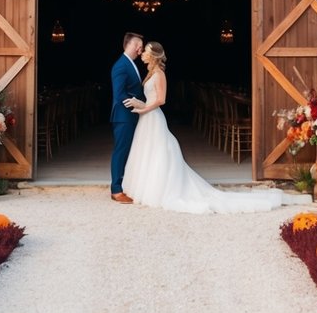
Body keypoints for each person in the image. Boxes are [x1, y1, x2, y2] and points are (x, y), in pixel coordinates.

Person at [122, 41, 286, 213]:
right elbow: (151, 99)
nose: (142, 54)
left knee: (157, 152)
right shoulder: (150, 73)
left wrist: (145, 109)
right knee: (148, 151)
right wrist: (140, 104)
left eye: (145, 51)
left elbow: (161, 100)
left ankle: (158, 190)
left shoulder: (159, 74)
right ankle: (147, 187)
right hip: (147, 116)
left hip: (153, 117)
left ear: (153, 55)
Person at [109, 31, 145, 203]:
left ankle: (126, 184)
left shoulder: (130, 63)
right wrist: (137, 103)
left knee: (129, 151)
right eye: (139, 45)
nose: (141, 49)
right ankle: (116, 190)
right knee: (121, 151)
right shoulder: (121, 65)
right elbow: (119, 94)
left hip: (131, 116)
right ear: (130, 44)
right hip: (123, 116)